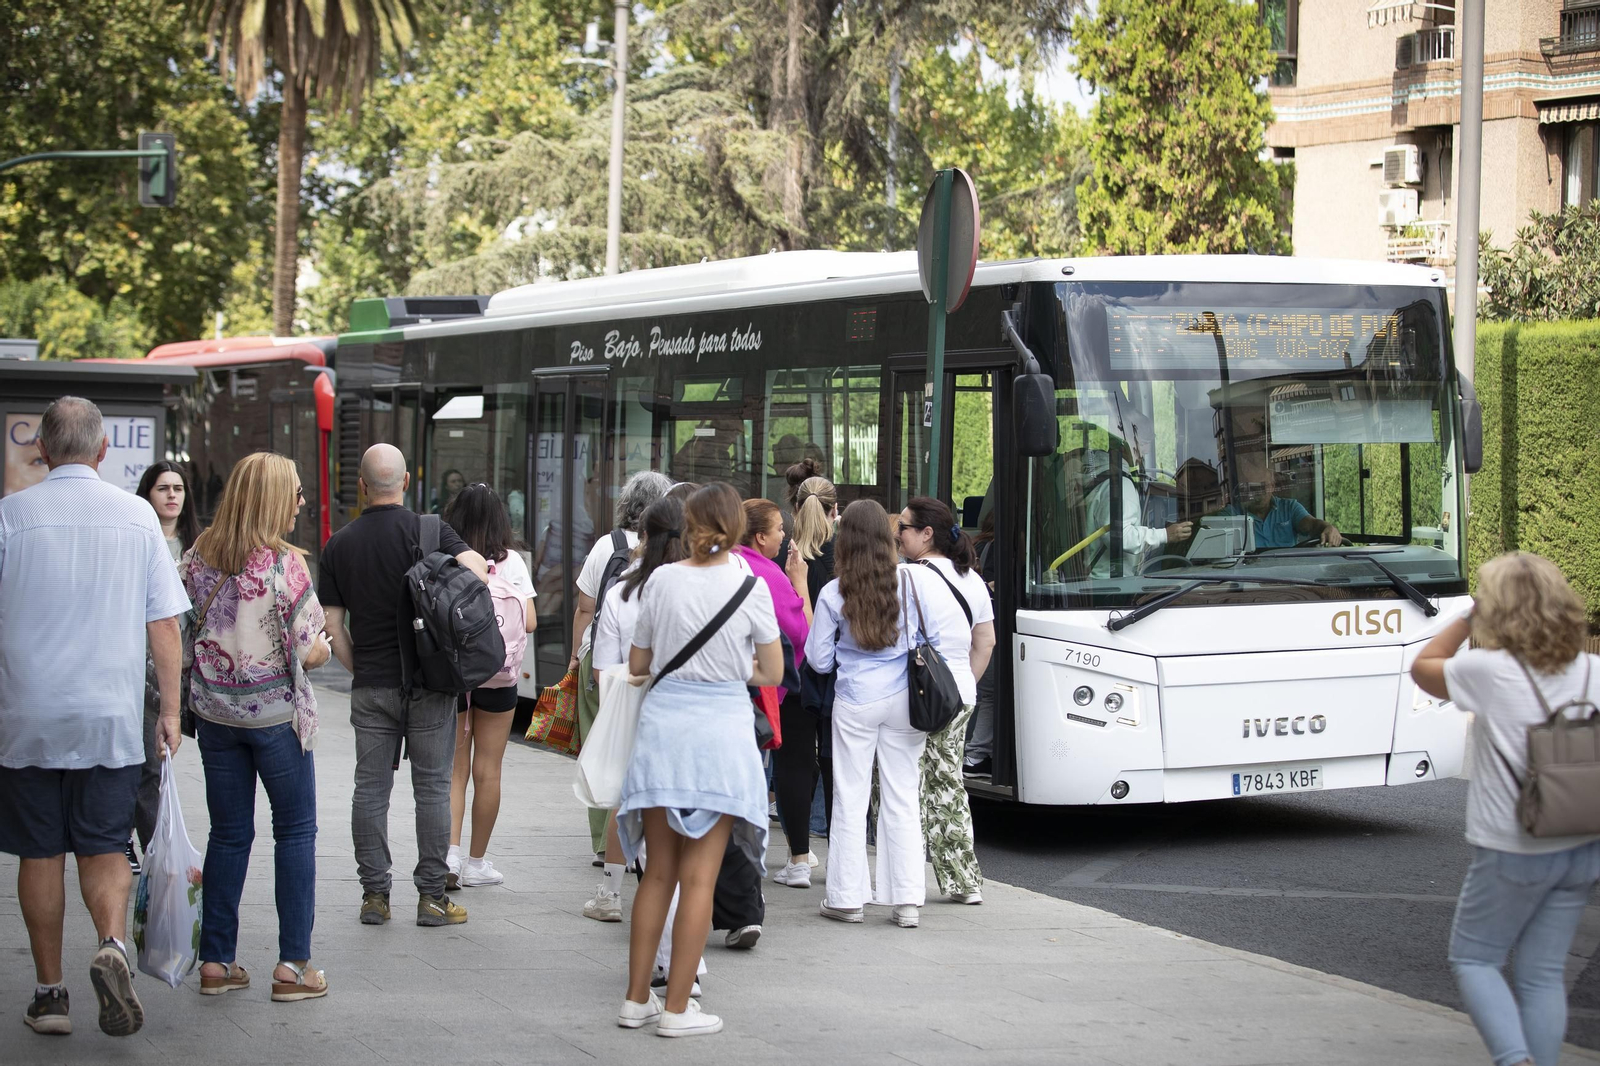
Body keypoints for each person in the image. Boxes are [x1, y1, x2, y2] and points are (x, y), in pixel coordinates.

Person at [0, 397, 189, 1038]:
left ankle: (51, 996)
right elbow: (164, 623)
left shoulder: (10, 517)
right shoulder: (137, 518)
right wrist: (169, 710)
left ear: (43, 450)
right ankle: (111, 943)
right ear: (104, 452)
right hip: (109, 716)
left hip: (28, 716)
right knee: (107, 845)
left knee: (40, 849)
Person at [1411, 552, 1600, 1066]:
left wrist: (1470, 617)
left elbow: (1422, 668)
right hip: (1583, 842)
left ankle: (1514, 1060)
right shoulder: (1595, 672)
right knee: (1543, 974)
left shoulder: (1488, 671)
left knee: (1475, 957)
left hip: (1513, 848)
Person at [615, 483, 783, 1037]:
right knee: (700, 879)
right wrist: (732, 674)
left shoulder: (660, 579)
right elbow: (773, 671)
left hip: (664, 733)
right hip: (720, 739)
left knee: (656, 874)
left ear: (689, 524)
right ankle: (679, 1010)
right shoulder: (751, 586)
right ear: (736, 527)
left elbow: (639, 660)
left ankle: (636, 1000)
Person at [180, 452, 332, 1003]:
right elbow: (309, 650)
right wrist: (322, 649)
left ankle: (217, 962)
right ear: (271, 498)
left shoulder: (199, 555)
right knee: (294, 832)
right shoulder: (285, 564)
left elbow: (179, 624)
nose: (300, 503)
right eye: (294, 493)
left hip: (216, 714)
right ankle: (292, 967)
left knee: (228, 833)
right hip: (274, 718)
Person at [319, 444, 488, 928]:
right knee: (433, 788)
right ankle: (432, 898)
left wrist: (359, 667)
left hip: (373, 682)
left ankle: (375, 895)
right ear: (408, 481)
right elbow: (480, 570)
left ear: (361, 486)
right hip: (431, 682)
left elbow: (333, 624)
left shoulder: (339, 544)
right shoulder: (432, 531)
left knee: (370, 790)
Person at [805, 500, 945, 929]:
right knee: (902, 797)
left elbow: (819, 661)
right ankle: (906, 901)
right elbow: (934, 637)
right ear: (888, 538)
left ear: (844, 542)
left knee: (850, 798)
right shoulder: (912, 583)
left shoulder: (833, 593)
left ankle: (847, 898)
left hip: (855, 701)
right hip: (905, 701)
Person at [586, 496, 688, 923]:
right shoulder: (695, 585)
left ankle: (610, 893)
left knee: (622, 799)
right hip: (685, 712)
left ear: (642, 537)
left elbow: (603, 668)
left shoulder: (621, 590)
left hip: (631, 706)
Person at [568, 470, 674, 863]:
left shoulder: (605, 546)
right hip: (654, 664)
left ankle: (604, 844)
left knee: (603, 746)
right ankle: (643, 842)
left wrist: (577, 655)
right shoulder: (674, 551)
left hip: (603, 659)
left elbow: (584, 607)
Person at [897, 497, 996, 905]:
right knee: (948, 784)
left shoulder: (908, 578)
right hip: (959, 698)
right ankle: (964, 881)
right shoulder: (970, 578)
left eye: (903, 527)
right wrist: (960, 685)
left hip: (918, 698)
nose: (897, 534)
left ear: (926, 533)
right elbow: (985, 641)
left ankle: (904, 881)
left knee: (904, 787)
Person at [442, 484, 536, 890]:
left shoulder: (445, 557)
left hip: (454, 674)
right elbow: (529, 622)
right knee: (489, 770)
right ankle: (477, 863)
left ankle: (449, 854)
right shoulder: (512, 561)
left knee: (455, 769)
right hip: (499, 676)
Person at [740, 498, 819, 890]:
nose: (784, 535)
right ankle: (782, 861)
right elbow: (802, 633)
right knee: (773, 770)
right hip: (765, 690)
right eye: (778, 530)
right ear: (760, 537)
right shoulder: (769, 574)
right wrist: (799, 583)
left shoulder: (719, 563)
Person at [131, 461, 202, 871]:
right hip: (138, 668)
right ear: (148, 493)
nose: (172, 495)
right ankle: (150, 847)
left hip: (183, 669)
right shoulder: (138, 538)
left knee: (158, 760)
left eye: (178, 488)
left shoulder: (200, 545)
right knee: (147, 762)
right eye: (163, 488)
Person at [1220, 449, 1342, 550]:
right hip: (1249, 576)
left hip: (1287, 574)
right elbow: (1206, 531)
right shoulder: (1232, 515)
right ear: (1245, 488)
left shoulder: (1289, 508)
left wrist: (1327, 528)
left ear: (1272, 486)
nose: (1259, 493)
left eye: (1263, 486)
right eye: (1254, 487)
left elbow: (1311, 524)